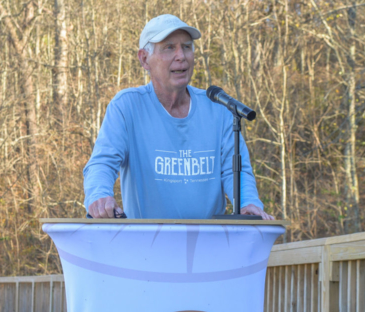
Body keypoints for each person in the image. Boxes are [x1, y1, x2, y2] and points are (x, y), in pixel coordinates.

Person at [83, 14, 274, 220]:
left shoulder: (218, 108)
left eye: (186, 47)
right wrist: (100, 196)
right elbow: (102, 163)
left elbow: (236, 171)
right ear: (144, 59)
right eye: (169, 47)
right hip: (146, 244)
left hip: (211, 244)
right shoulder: (126, 106)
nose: (181, 55)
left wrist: (248, 204)